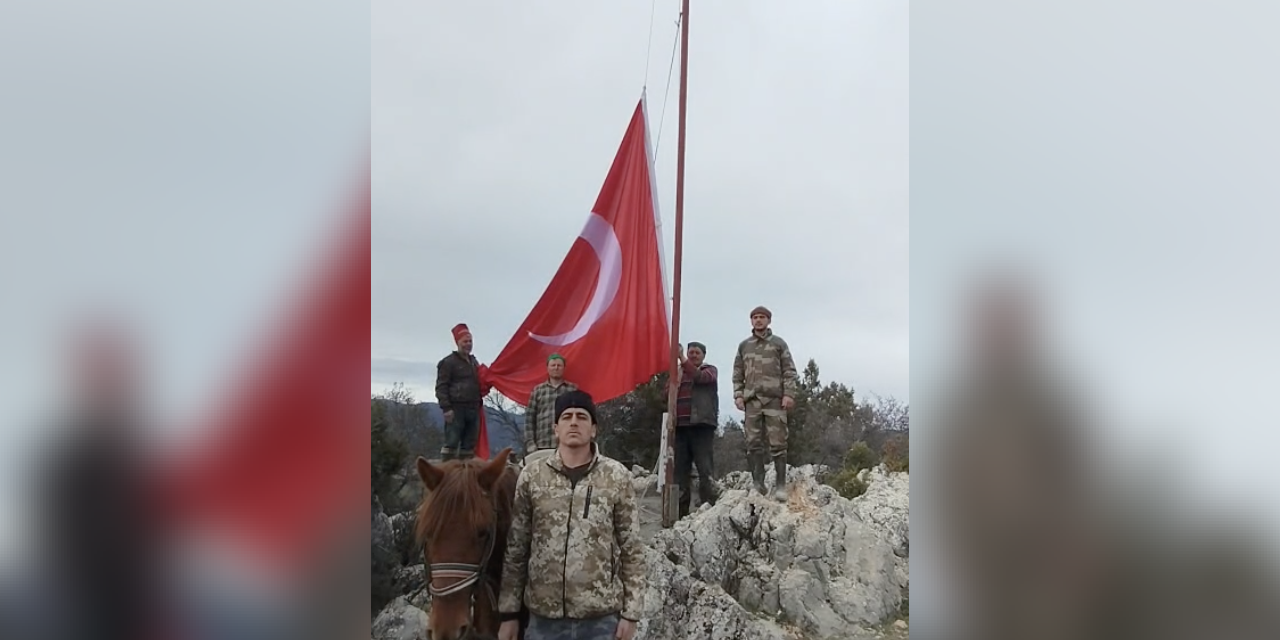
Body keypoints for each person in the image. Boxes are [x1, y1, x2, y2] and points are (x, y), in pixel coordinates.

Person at [497, 390, 644, 640]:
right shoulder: (532, 476)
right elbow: (517, 548)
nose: (574, 422)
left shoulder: (616, 477)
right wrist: (509, 614)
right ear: (556, 429)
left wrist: (631, 614)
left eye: (582, 417)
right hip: (544, 621)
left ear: (593, 429)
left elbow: (632, 549)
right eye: (566, 417)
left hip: (600, 620)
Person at [732, 306, 799, 501]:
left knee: (778, 443)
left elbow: (789, 371)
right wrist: (738, 395)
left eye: (762, 317)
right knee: (753, 443)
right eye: (755, 317)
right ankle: (758, 483)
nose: (758, 320)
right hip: (752, 401)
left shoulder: (778, 344)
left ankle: (780, 485)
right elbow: (738, 373)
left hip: (774, 400)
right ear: (751, 321)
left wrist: (789, 394)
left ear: (769, 320)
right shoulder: (744, 346)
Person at [673, 341, 719, 518]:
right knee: (680, 473)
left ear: (703, 355)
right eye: (690, 352)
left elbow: (700, 377)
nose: (693, 355)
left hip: (702, 427)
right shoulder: (678, 373)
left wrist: (681, 358)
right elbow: (666, 394)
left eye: (696, 353)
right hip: (680, 428)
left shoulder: (710, 370)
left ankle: (708, 512)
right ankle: (680, 515)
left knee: (705, 470)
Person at [435, 323, 484, 460]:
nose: (468, 344)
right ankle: (447, 469)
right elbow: (441, 387)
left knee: (469, 445)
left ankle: (465, 470)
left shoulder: (474, 362)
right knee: (451, 442)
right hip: (456, 408)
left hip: (473, 408)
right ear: (457, 343)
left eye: (470, 341)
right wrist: (446, 408)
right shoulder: (448, 362)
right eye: (465, 341)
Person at [521, 353, 577, 464]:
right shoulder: (538, 390)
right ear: (547, 368)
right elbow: (529, 419)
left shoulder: (572, 390)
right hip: (541, 446)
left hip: (566, 445)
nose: (556, 368)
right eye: (553, 365)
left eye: (559, 365)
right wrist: (530, 444)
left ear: (564, 368)